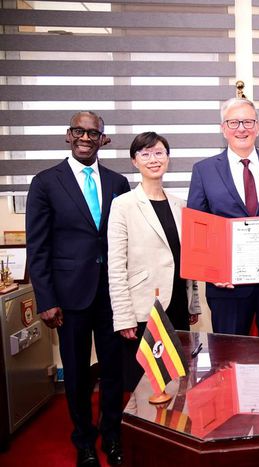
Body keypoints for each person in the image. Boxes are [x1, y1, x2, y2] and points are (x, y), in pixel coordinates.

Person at [26, 111, 130, 467]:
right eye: (78, 131)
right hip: (68, 297)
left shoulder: (118, 183)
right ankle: (84, 440)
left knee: (114, 369)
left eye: (93, 132)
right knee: (76, 372)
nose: (85, 137)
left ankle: (112, 435)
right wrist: (46, 299)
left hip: (113, 294)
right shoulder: (45, 182)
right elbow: (37, 246)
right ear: (68, 135)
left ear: (103, 139)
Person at [187, 97, 259, 336]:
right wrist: (211, 272)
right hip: (227, 285)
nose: (241, 129)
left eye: (247, 122)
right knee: (229, 359)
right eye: (233, 122)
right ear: (223, 129)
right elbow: (197, 226)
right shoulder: (203, 170)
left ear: (258, 126)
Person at [108, 132, 201, 391]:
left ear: (168, 159)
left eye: (159, 153)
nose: (153, 159)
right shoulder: (123, 205)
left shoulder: (181, 206)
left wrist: (194, 305)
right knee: (144, 385)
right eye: (145, 154)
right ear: (134, 161)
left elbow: (187, 260)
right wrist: (123, 317)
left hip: (178, 307)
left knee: (178, 380)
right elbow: (116, 267)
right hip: (142, 309)